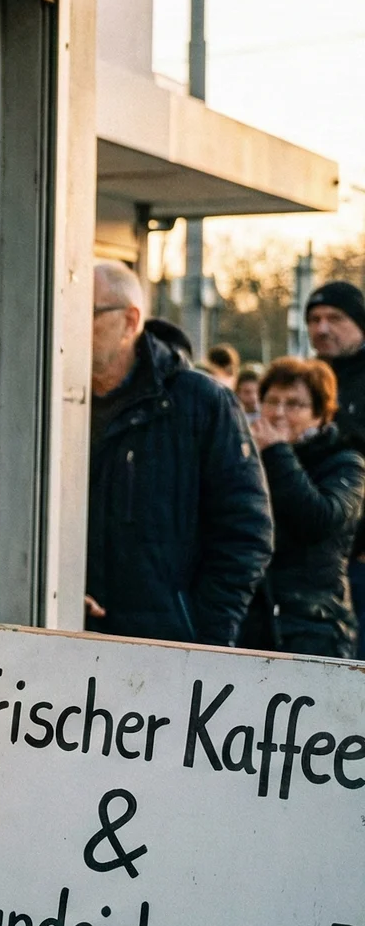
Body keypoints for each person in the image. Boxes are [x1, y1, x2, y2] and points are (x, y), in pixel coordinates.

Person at [84, 260, 272, 645]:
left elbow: (246, 531)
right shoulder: (54, 401)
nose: (66, 323)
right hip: (66, 641)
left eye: (85, 312)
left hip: (170, 656)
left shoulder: (201, 403)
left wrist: (203, 633)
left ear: (130, 321)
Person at [244, 357, 364, 658]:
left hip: (315, 625)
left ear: (321, 415)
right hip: (252, 622)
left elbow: (318, 519)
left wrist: (277, 452)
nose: (279, 413)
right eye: (272, 401)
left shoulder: (347, 463)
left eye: (295, 404)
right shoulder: (250, 456)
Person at [305, 280, 365, 657]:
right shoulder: (305, 381)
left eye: (335, 318)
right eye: (314, 319)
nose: (322, 328)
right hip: (316, 560)